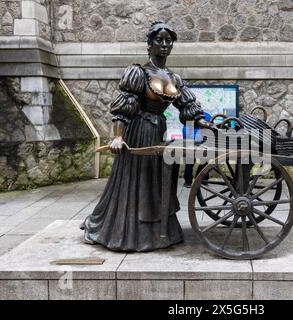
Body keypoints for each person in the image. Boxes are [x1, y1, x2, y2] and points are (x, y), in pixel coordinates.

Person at [81, 21, 209, 252]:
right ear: (149, 44)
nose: (164, 44)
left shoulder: (174, 78)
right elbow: (124, 107)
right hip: (138, 132)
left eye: (168, 40)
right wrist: (118, 136)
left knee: (156, 180)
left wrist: (204, 122)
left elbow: (187, 105)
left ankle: (160, 230)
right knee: (136, 180)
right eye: (159, 39)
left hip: (157, 130)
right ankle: (129, 233)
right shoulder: (138, 72)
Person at [182, 112, 211, 188]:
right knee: (203, 161)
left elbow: (185, 132)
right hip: (202, 143)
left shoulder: (189, 116)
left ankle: (188, 182)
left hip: (192, 142)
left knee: (190, 162)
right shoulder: (207, 116)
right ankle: (203, 179)